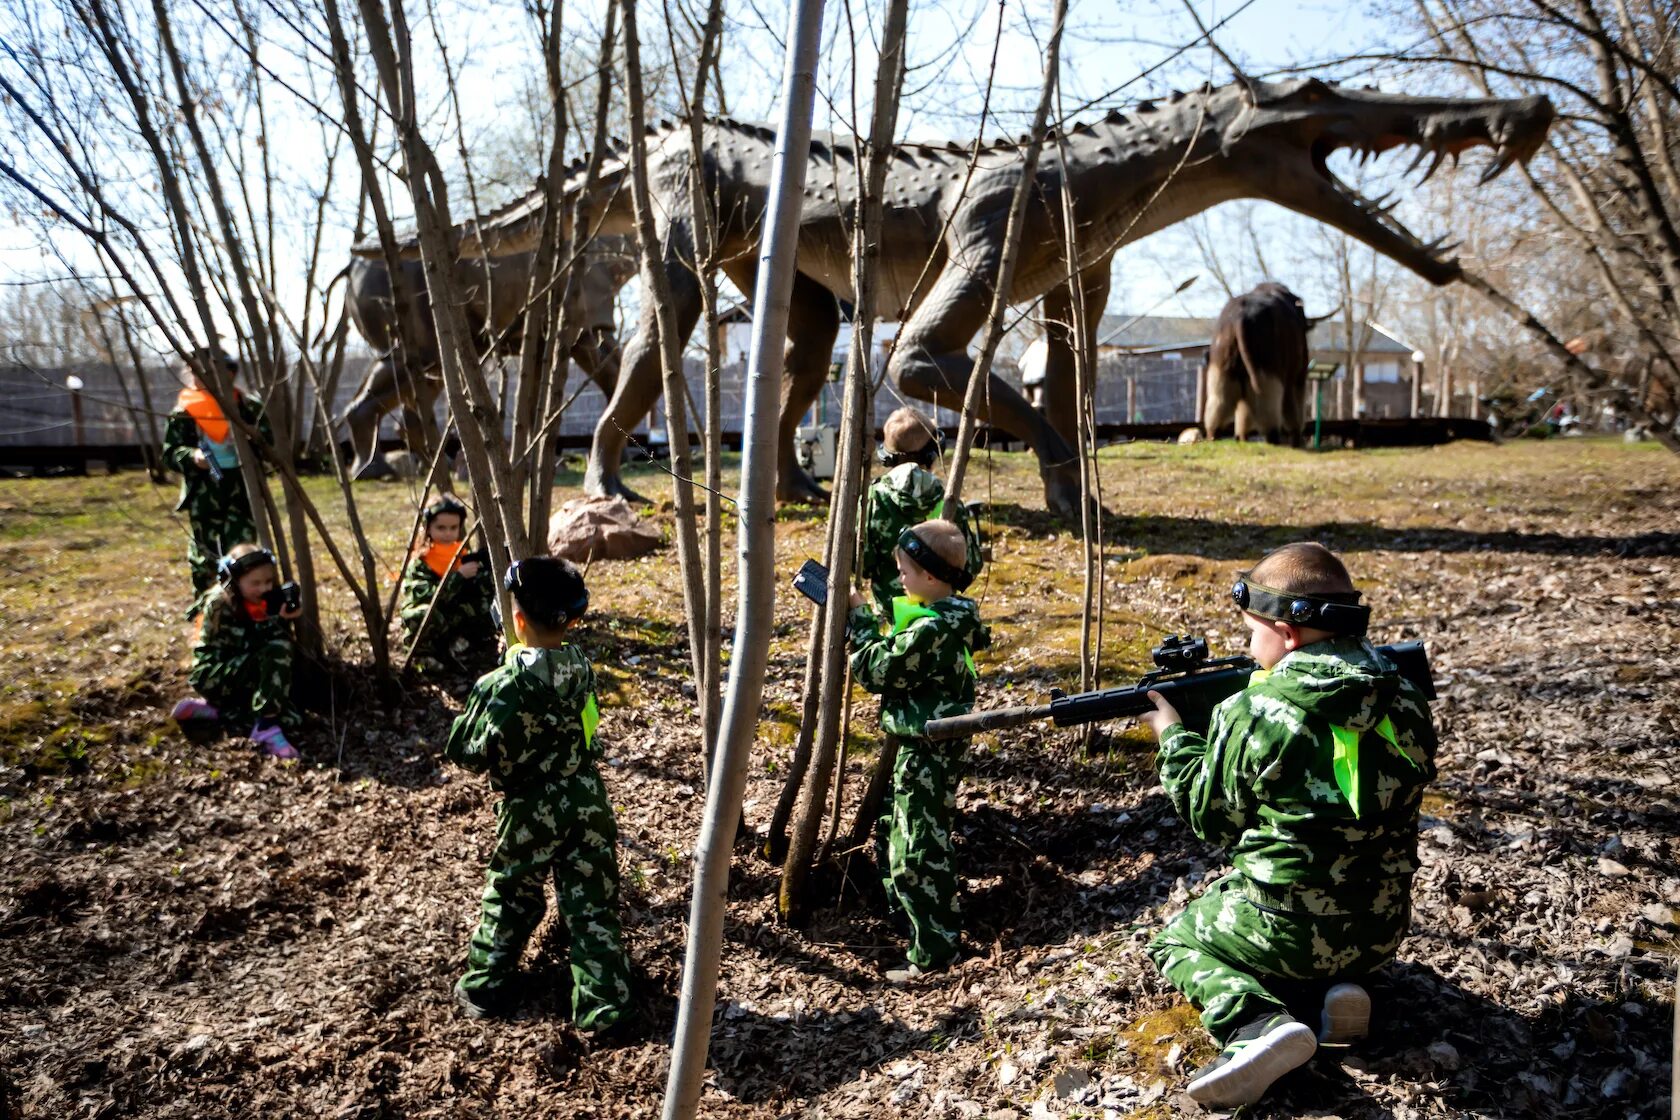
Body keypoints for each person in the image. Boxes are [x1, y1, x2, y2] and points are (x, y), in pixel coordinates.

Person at [1137, 542, 1438, 1108]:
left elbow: (1211, 820)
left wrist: (1174, 737)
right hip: (1381, 928)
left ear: (1288, 632)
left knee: (1174, 939)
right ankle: (1344, 992)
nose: (1250, 649)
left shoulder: (1252, 710)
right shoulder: (1408, 697)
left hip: (1287, 931)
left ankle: (1255, 1027)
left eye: (1252, 633)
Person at [445, 556, 633, 1032]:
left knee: (512, 893)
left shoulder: (499, 686)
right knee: (592, 902)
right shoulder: (582, 667)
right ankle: (604, 1008)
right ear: (572, 620)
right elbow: (589, 732)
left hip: (530, 809)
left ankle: (486, 985)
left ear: (518, 620)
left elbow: (466, 753)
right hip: (587, 800)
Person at [846, 519, 991, 982]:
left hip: (928, 753)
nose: (900, 581)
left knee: (918, 851)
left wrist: (858, 616)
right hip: (922, 748)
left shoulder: (932, 632)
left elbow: (875, 669)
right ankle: (910, 924)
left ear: (930, 577)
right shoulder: (949, 615)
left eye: (904, 572)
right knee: (896, 833)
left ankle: (935, 953)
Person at [161, 350, 272, 614]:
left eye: (206, 372)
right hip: (204, 493)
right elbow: (169, 453)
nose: (197, 377)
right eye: (193, 372)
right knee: (205, 556)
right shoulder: (185, 411)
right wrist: (191, 456)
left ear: (229, 374)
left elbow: (269, 443)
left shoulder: (247, 406)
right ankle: (209, 612)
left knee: (244, 552)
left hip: (242, 490)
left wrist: (251, 439)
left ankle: (248, 610)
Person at [171, 544, 303, 761]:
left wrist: (281, 614)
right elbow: (254, 646)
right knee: (279, 649)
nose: (263, 589)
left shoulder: (261, 600)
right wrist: (273, 619)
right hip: (213, 676)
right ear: (233, 580)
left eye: (268, 582)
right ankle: (265, 727)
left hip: (239, 672)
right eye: (255, 583)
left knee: (292, 718)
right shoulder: (220, 604)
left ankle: (217, 712)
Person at [860, 407, 983, 617]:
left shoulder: (873, 498)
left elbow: (861, 565)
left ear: (886, 456)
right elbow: (971, 564)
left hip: (894, 615)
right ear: (933, 453)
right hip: (941, 617)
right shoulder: (947, 499)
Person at [399, 495, 496, 670]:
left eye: (454, 527)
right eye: (441, 527)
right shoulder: (421, 560)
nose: (448, 533)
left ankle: (461, 644)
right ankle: (423, 656)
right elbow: (424, 595)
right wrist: (457, 577)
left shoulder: (461, 552)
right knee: (421, 615)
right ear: (427, 527)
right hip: (433, 618)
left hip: (454, 618)